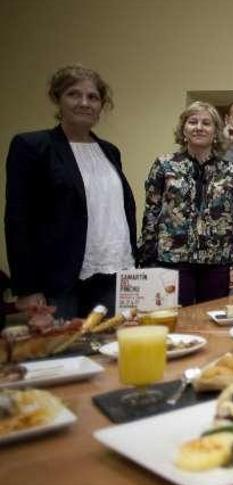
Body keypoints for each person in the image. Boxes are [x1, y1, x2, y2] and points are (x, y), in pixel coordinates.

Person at [5, 64, 137, 318]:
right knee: (61, 353)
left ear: (102, 105)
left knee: (107, 353)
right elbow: (18, 221)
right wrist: (27, 287)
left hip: (112, 275)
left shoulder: (110, 151)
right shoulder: (32, 146)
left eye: (93, 97)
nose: (84, 103)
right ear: (58, 99)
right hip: (59, 282)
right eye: (74, 94)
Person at [138, 101, 233, 306]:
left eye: (206, 123)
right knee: (175, 322)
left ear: (216, 131)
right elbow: (151, 213)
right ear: (183, 129)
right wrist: (147, 259)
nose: (199, 127)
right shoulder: (164, 164)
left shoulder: (231, 171)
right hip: (171, 260)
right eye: (192, 122)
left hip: (217, 261)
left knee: (213, 322)